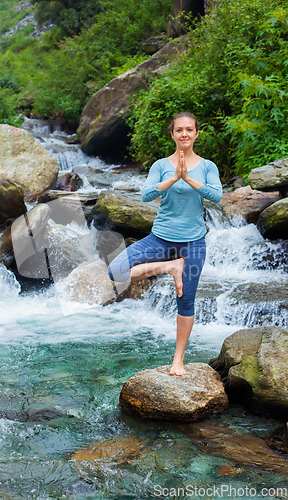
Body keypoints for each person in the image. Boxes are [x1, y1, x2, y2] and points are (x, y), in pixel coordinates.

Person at [108, 112, 222, 375]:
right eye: (179, 130)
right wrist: (173, 177)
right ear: (172, 134)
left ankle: (178, 361)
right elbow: (146, 195)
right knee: (116, 270)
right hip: (159, 239)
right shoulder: (160, 165)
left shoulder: (207, 167)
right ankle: (171, 267)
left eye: (189, 130)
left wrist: (189, 178)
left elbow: (216, 196)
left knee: (186, 301)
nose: (184, 134)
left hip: (193, 243)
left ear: (196, 134)